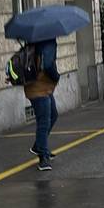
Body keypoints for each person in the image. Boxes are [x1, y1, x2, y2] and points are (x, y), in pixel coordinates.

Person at [26, 39, 59, 171]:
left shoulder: (32, 42)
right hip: (39, 88)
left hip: (39, 87)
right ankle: (43, 158)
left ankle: (38, 146)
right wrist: (57, 76)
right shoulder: (48, 42)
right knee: (44, 122)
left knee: (53, 115)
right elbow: (48, 66)